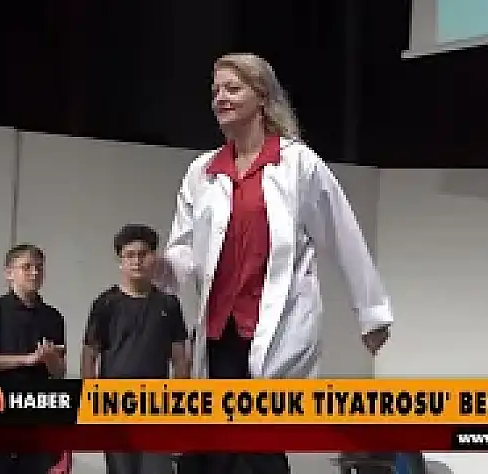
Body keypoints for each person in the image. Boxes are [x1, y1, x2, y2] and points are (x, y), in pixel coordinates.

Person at [158, 53, 394, 474]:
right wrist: (166, 268)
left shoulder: (297, 164)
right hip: (219, 332)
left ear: (262, 96)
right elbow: (185, 248)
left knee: (257, 444)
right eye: (215, 91)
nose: (221, 98)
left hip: (277, 326)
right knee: (218, 445)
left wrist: (371, 314)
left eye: (233, 89)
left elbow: (344, 236)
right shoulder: (203, 172)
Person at [81, 224, 189, 474]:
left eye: (143, 254)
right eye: (129, 255)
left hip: (156, 404)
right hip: (114, 403)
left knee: (157, 468)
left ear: (154, 258)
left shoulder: (169, 305)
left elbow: (180, 358)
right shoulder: (105, 304)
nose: (137, 261)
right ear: (120, 261)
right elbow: (90, 354)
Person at [0, 244, 66, 474]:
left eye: (39, 267)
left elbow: (59, 372)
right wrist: (26, 360)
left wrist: (49, 358)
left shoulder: (53, 317)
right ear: (9, 273)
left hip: (35, 412)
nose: (34, 273)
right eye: (27, 267)